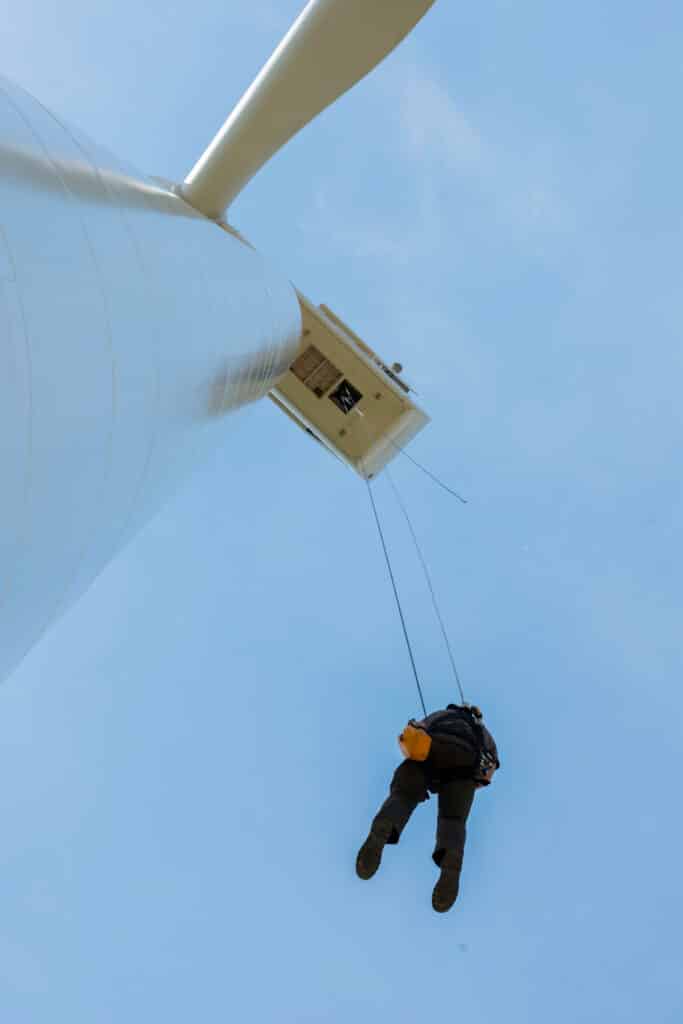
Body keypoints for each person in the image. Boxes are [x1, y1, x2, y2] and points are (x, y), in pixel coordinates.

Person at [355, 703, 500, 913]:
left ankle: (385, 825)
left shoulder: (441, 715)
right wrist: (470, 785)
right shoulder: (483, 733)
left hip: (433, 750)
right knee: (454, 819)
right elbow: (490, 768)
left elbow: (416, 730)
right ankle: (451, 858)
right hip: (466, 764)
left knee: (404, 794)